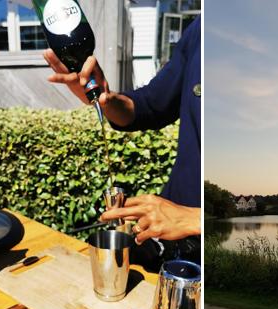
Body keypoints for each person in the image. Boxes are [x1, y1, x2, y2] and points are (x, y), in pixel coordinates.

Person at [44, 16, 201, 268]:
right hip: (167, 242)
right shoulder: (200, 31)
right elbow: (150, 105)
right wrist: (105, 98)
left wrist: (197, 219)